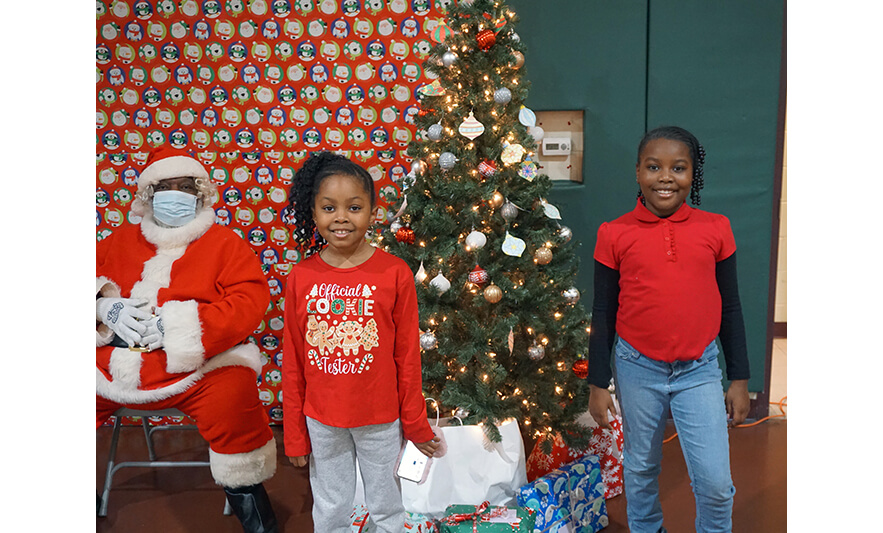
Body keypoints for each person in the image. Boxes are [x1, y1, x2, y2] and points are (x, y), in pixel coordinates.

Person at [96, 147, 279, 533]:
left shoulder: (225, 243)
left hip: (200, 366)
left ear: (200, 193)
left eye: (185, 186)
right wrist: (101, 306)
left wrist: (180, 327)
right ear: (149, 193)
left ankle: (255, 513)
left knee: (234, 397)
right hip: (113, 362)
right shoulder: (117, 241)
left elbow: (248, 300)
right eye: (166, 186)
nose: (176, 194)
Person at [587, 126, 750, 533]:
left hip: (699, 370)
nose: (665, 177)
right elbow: (603, 311)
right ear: (637, 172)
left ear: (693, 174)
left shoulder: (716, 228)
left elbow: (731, 306)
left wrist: (739, 378)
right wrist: (598, 383)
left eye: (678, 168)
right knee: (641, 466)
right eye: (653, 167)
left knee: (715, 482)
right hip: (637, 367)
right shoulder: (614, 233)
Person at [281, 151, 440, 532]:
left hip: (380, 419)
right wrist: (295, 435)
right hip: (322, 420)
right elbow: (293, 362)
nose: (341, 217)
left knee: (386, 504)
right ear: (314, 213)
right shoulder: (301, 277)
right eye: (329, 208)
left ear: (372, 212)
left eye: (353, 207)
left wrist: (415, 423)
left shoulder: (394, 273)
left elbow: (407, 356)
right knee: (331, 505)